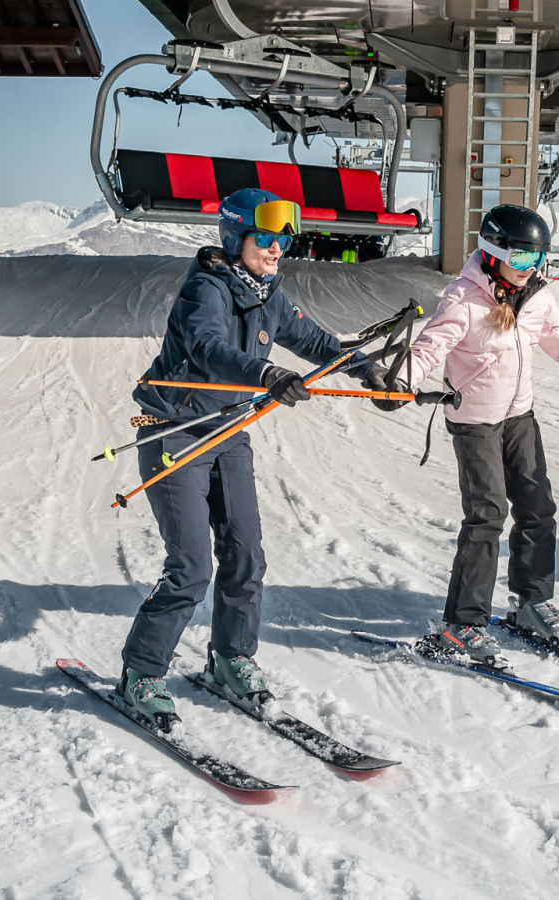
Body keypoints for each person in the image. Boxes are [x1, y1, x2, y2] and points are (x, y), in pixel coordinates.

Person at [119, 188, 393, 728]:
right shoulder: (206, 289)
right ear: (235, 236)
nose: (276, 249)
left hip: (230, 431)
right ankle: (141, 671)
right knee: (191, 568)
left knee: (246, 555)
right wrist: (266, 374)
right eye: (265, 238)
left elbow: (313, 340)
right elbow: (208, 348)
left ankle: (231, 659)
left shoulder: (268, 291)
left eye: (282, 238)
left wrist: (366, 371)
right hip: (177, 433)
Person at [388, 204, 559, 668]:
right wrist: (400, 381)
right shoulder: (464, 298)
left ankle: (532, 603)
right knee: (488, 515)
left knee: (538, 509)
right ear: (493, 253)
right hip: (474, 421)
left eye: (538, 259)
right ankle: (463, 625)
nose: (530, 269)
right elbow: (430, 346)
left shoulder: (536, 296)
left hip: (519, 417)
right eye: (521, 260)